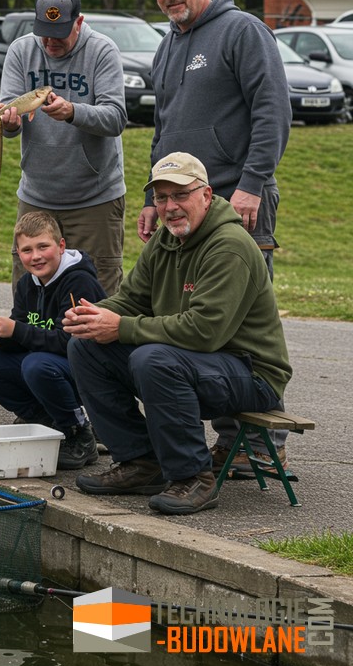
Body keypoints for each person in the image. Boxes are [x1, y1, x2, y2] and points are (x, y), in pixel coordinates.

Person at [64, 153, 292, 515]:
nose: (170, 207)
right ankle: (141, 462)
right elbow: (132, 298)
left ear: (206, 194)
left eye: (180, 195)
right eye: (161, 197)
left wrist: (120, 327)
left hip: (251, 373)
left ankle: (195, 478)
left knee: (152, 357)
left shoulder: (229, 245)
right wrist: (96, 316)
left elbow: (204, 332)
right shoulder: (165, 239)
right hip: (193, 362)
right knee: (85, 347)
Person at [138, 0, 292, 471]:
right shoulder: (167, 47)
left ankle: (251, 442)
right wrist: (151, 197)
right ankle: (215, 435)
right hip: (178, 201)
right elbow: (163, 130)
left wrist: (253, 182)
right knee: (186, 308)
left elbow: (273, 108)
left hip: (236, 197)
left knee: (240, 317)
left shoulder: (243, 31)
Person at [0, 0, 127, 295]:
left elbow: (116, 118)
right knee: (29, 293)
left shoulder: (102, 50)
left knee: (96, 297)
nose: (51, 41)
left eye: (60, 32)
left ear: (79, 22)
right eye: (44, 31)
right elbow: (9, 121)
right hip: (37, 195)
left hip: (94, 197)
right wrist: (9, 123)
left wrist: (73, 112)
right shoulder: (20, 51)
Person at [0, 212, 106, 470]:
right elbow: (19, 340)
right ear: (18, 254)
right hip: (47, 366)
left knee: (36, 364)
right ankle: (46, 421)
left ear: (61, 246)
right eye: (27, 250)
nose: (36, 256)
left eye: (43, 246)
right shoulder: (26, 284)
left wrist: (16, 330)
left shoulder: (79, 281)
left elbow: (72, 342)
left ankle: (80, 434)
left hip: (89, 370)